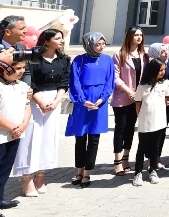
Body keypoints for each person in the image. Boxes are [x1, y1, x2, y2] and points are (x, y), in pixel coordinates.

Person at [12, 29, 69, 195]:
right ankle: (26, 178)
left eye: (62, 38)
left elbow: (64, 82)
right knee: (31, 138)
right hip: (35, 100)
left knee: (48, 139)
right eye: (57, 38)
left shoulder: (64, 60)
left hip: (54, 100)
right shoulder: (33, 60)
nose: (61, 41)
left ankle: (41, 176)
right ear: (46, 41)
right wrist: (41, 102)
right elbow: (30, 82)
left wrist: (57, 100)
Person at [65, 32, 115, 188]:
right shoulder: (79, 60)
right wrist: (82, 100)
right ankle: (79, 170)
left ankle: (87, 172)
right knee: (80, 138)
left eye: (103, 44)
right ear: (89, 45)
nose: (101, 47)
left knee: (94, 139)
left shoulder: (107, 60)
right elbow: (75, 82)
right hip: (82, 103)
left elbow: (110, 81)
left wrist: (102, 99)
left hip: (99, 103)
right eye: (97, 44)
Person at [0, 61, 30, 217]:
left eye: (23, 68)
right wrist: (14, 128)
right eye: (17, 68)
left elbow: (27, 107)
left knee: (3, 173)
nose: (21, 72)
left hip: (13, 136)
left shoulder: (22, 86)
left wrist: (23, 126)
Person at [112, 26, 149, 176]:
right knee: (120, 129)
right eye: (136, 35)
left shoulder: (144, 55)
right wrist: (129, 91)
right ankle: (117, 162)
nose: (139, 37)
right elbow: (115, 76)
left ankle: (126, 158)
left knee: (130, 129)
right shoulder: (119, 55)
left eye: (141, 35)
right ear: (129, 36)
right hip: (122, 97)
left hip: (138, 98)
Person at [132, 59, 169, 186]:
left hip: (159, 121)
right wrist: (141, 117)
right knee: (142, 148)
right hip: (145, 122)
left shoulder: (165, 83)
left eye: (164, 69)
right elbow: (138, 104)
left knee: (155, 148)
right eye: (160, 70)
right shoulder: (142, 86)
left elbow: (166, 98)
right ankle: (137, 173)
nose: (162, 72)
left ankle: (152, 170)